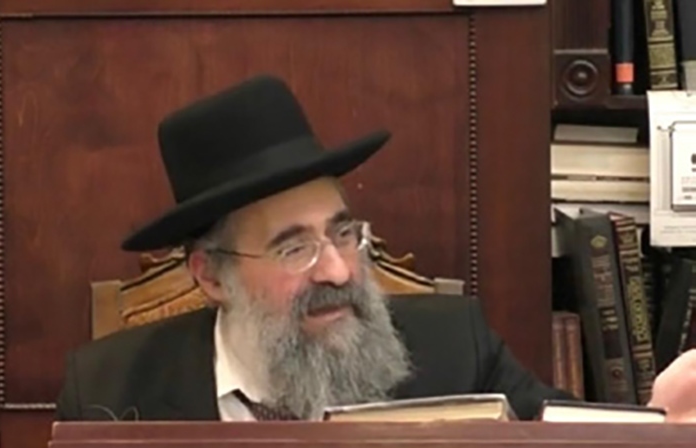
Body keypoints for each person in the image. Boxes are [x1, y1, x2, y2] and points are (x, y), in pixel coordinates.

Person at [55, 74, 696, 425]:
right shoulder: (109, 392)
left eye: (342, 233)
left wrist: (657, 432)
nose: (338, 270)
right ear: (212, 276)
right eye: (293, 249)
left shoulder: (456, 349)